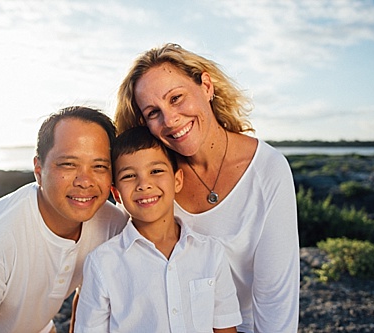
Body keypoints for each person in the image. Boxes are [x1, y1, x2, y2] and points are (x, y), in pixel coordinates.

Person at [113, 43, 300, 333]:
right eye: (153, 112)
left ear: (206, 86)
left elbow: (276, 299)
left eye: (176, 98)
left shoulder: (268, 169)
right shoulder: (153, 182)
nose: (170, 119)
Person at [0, 106, 128, 333]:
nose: (85, 181)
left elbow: (89, 293)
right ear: (38, 170)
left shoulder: (112, 224)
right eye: (68, 164)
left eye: (99, 166)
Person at [76, 127, 241, 333]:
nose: (144, 185)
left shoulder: (211, 252)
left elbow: (225, 328)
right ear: (116, 193)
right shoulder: (102, 263)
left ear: (177, 180)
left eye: (156, 171)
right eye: (129, 176)